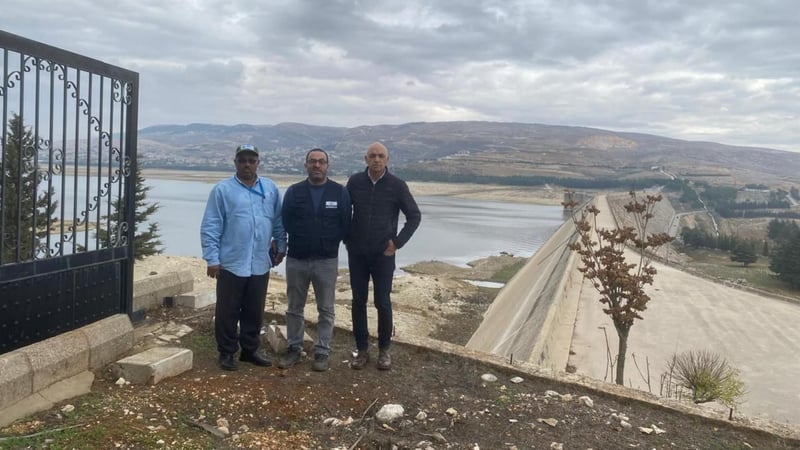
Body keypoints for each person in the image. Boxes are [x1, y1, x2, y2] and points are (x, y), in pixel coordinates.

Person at [200, 143, 286, 371]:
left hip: (260, 262)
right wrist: (212, 258)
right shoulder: (222, 190)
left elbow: (278, 221)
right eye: (242, 160)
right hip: (231, 262)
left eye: (251, 160)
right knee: (227, 310)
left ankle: (249, 350)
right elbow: (211, 225)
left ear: (258, 163)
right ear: (235, 162)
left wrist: (281, 245)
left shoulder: (270, 188)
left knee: (254, 310)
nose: (247, 164)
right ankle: (226, 352)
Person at [346, 141, 421, 370]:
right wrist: (347, 238)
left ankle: (384, 350)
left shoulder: (397, 185)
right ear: (365, 159)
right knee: (358, 301)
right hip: (357, 254)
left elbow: (414, 216)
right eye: (372, 155)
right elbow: (343, 211)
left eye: (381, 156)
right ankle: (362, 350)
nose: (376, 159)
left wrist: (396, 243)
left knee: (383, 302)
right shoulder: (355, 182)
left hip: (383, 255)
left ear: (387, 160)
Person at [278, 148, 351, 372]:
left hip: (326, 260)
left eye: (321, 162)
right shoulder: (294, 192)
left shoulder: (339, 192)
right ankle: (294, 348)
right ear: (306, 165)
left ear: (327, 166)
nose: (317, 165)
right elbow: (285, 220)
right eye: (312, 161)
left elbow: (345, 223)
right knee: (294, 307)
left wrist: (329, 242)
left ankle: (322, 351)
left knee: (326, 308)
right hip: (297, 259)